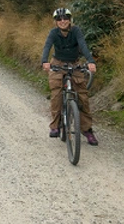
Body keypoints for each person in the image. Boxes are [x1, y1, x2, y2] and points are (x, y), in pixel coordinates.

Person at [41, 8, 98, 145]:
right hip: (58, 64)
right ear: (55, 22)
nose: (62, 21)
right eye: (59, 19)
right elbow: (47, 46)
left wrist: (90, 61)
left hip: (74, 63)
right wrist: (45, 61)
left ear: (70, 19)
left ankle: (87, 130)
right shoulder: (53, 33)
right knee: (57, 95)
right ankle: (55, 126)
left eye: (65, 18)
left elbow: (83, 45)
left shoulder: (76, 31)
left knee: (83, 97)